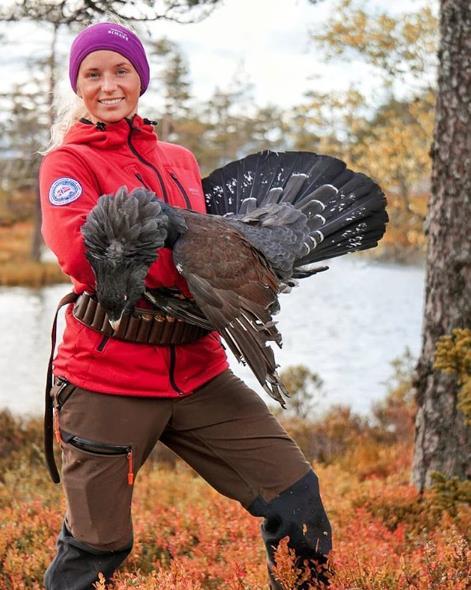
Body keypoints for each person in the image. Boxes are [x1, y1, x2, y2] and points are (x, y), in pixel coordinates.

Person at [39, 21, 332, 590]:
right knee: (96, 547)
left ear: (140, 79)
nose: (108, 84)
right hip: (110, 376)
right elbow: (85, 258)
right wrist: (215, 267)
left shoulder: (178, 158)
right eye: (92, 74)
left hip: (199, 371)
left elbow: (212, 240)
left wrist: (247, 261)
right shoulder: (67, 165)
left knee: (297, 501)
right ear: (78, 86)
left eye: (121, 70)